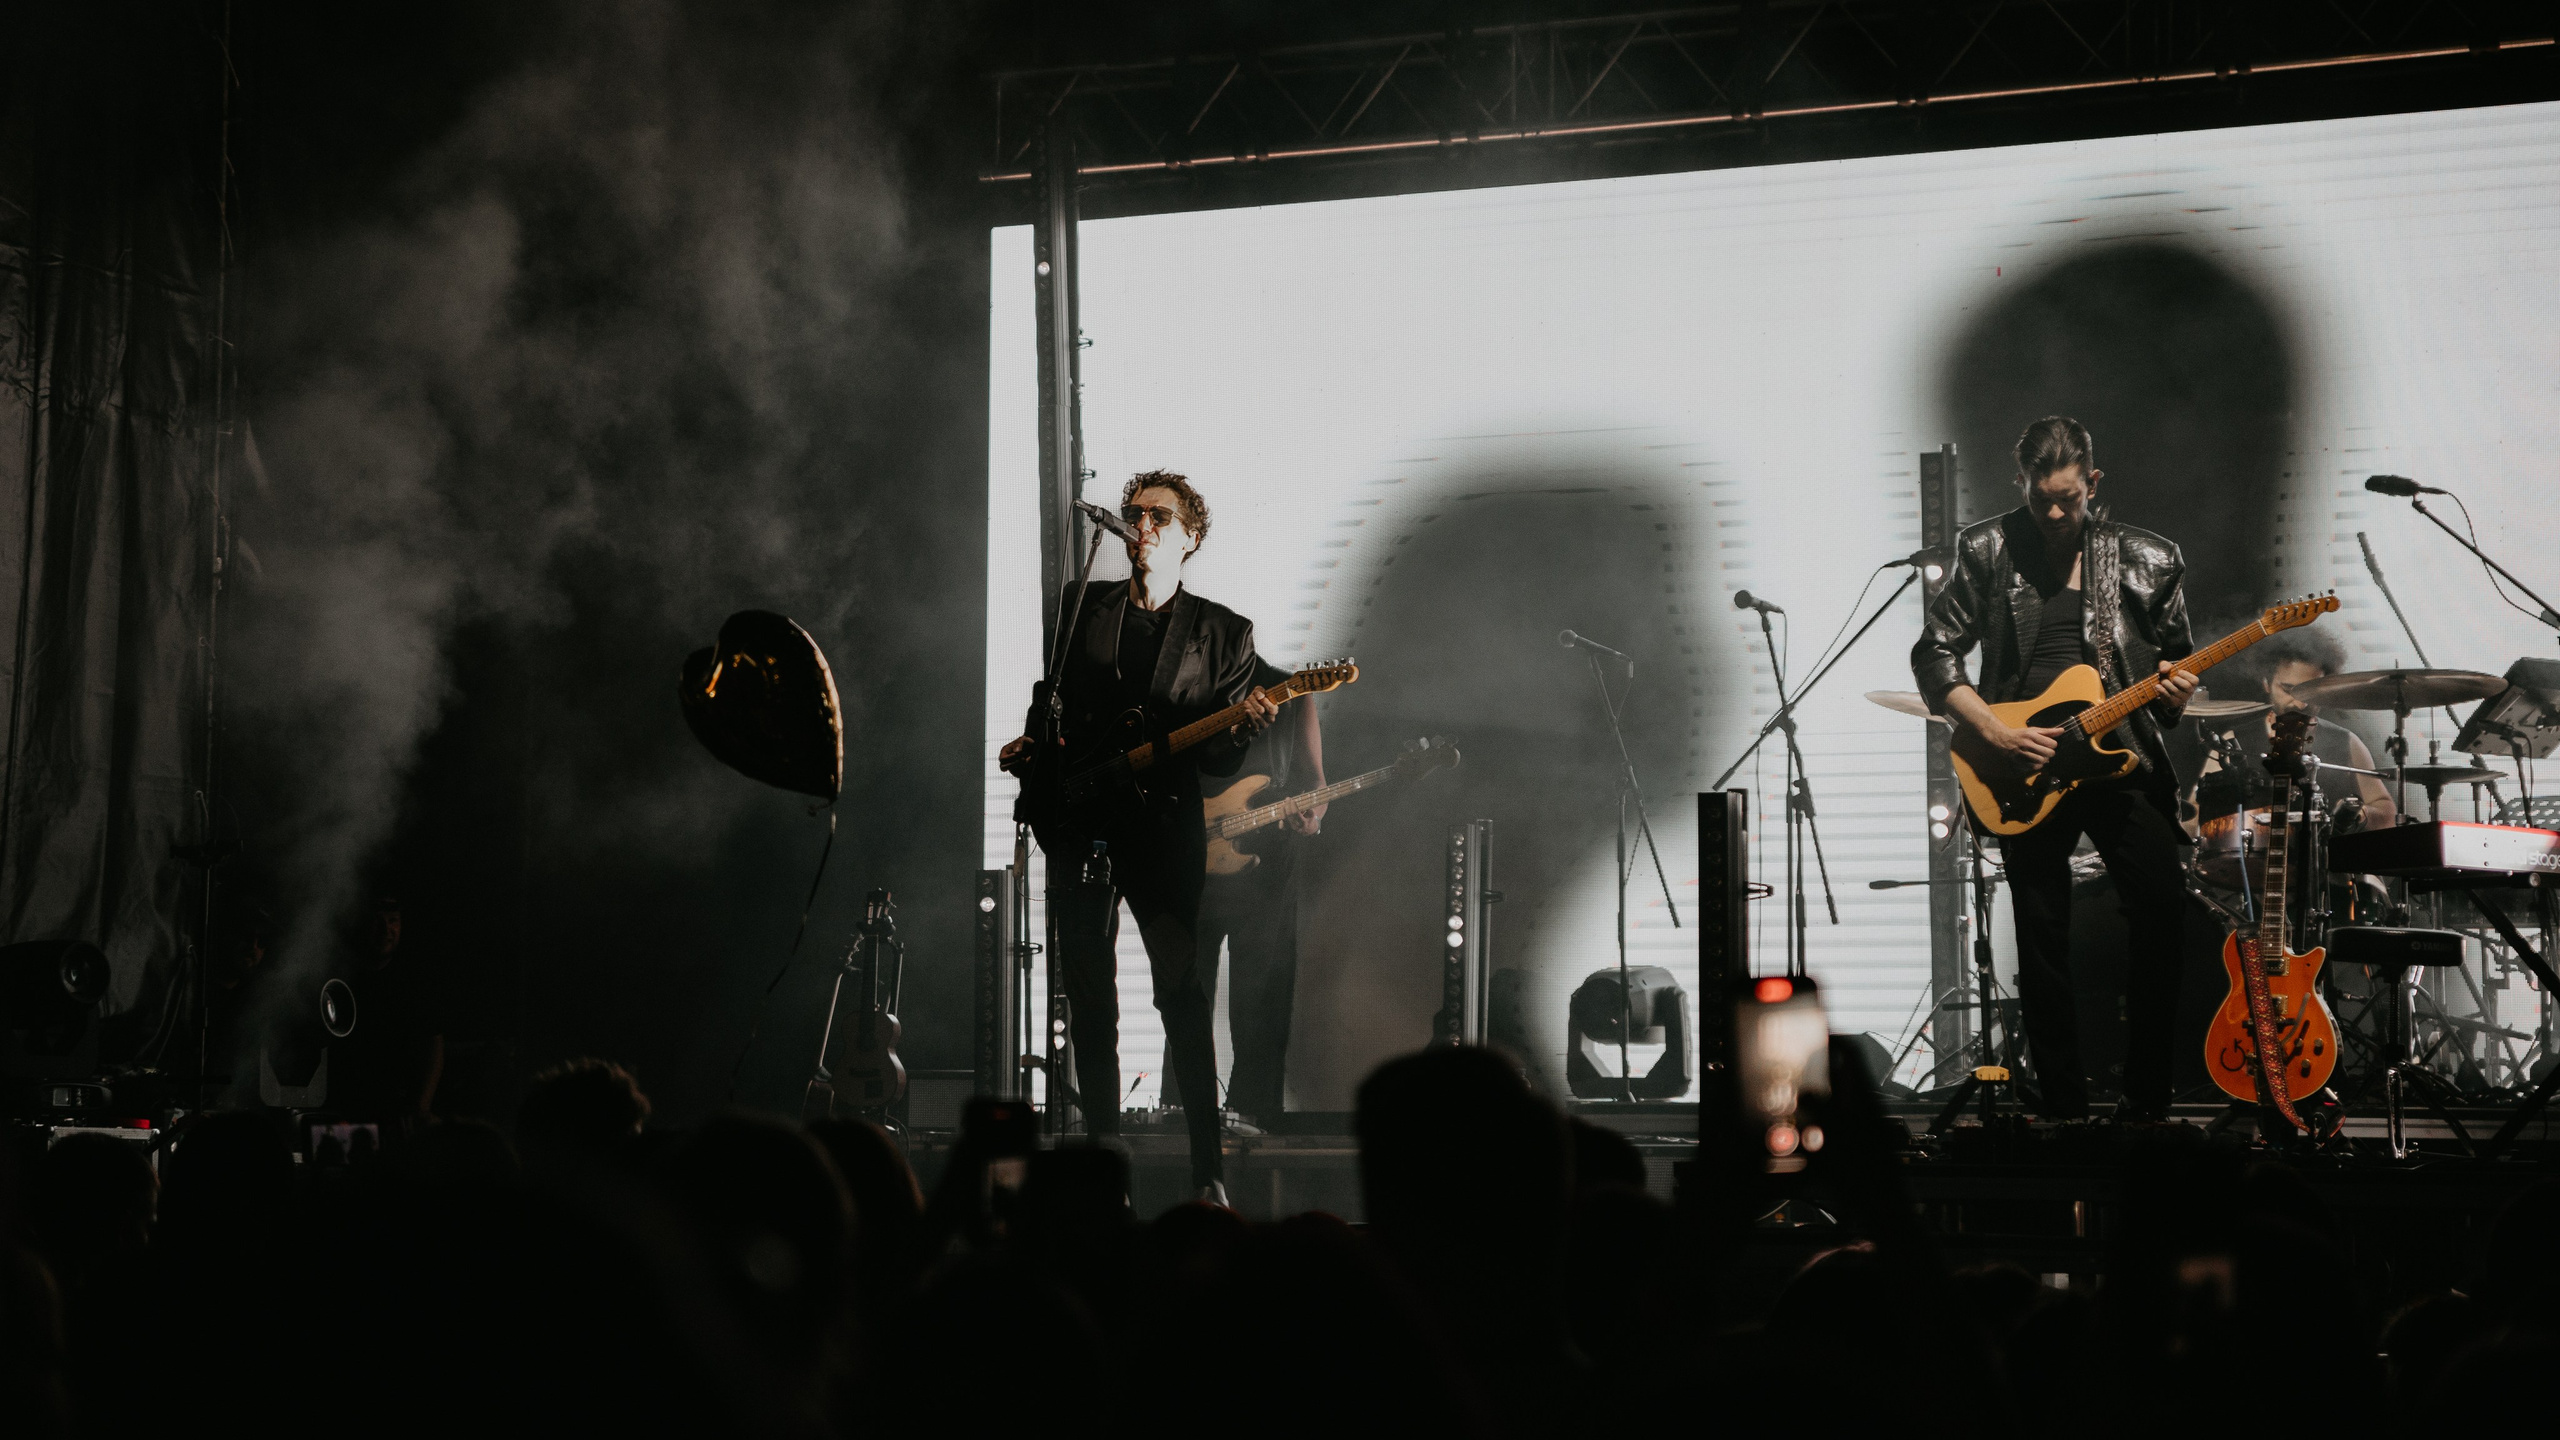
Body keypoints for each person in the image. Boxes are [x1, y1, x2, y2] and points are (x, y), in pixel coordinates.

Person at [1912, 416, 2200, 1123]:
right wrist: (1993, 734)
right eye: (2042, 499)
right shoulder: (1985, 548)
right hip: (2023, 763)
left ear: (2092, 485)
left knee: (2163, 911)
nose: (2054, 513)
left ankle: (2148, 1101)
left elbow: (2174, 671)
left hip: (2116, 756)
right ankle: (2065, 1109)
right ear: (2023, 485)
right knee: (2041, 935)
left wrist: (2178, 692)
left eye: (2068, 499)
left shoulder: (2151, 559)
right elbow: (1935, 654)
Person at [1000, 469, 1276, 1203]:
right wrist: (1032, 749)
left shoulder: (1224, 633)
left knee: (1180, 994)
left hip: (1161, 831)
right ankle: (1103, 1162)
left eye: (1158, 515)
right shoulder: (1081, 606)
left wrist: (1242, 731)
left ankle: (1207, 1172)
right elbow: (1049, 699)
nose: (1140, 524)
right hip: (1081, 823)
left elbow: (1216, 760)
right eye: (1132, 514)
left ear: (1191, 537)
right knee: (1089, 994)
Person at [1163, 654, 1325, 1128]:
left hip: (1268, 862)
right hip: (1196, 859)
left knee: (1262, 999)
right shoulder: (1186, 689)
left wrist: (1312, 817)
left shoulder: (1290, 688)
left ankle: (1254, 1115)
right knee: (1186, 993)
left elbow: (1314, 782)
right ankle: (1179, 1112)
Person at [2188, 626, 2397, 834]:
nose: (2299, 704)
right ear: (2266, 684)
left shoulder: (2345, 741)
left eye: (2310, 691)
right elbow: (2195, 812)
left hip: (2326, 862)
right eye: (2288, 689)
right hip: (2249, 864)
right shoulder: (2234, 741)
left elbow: (2385, 811)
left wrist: (2358, 814)